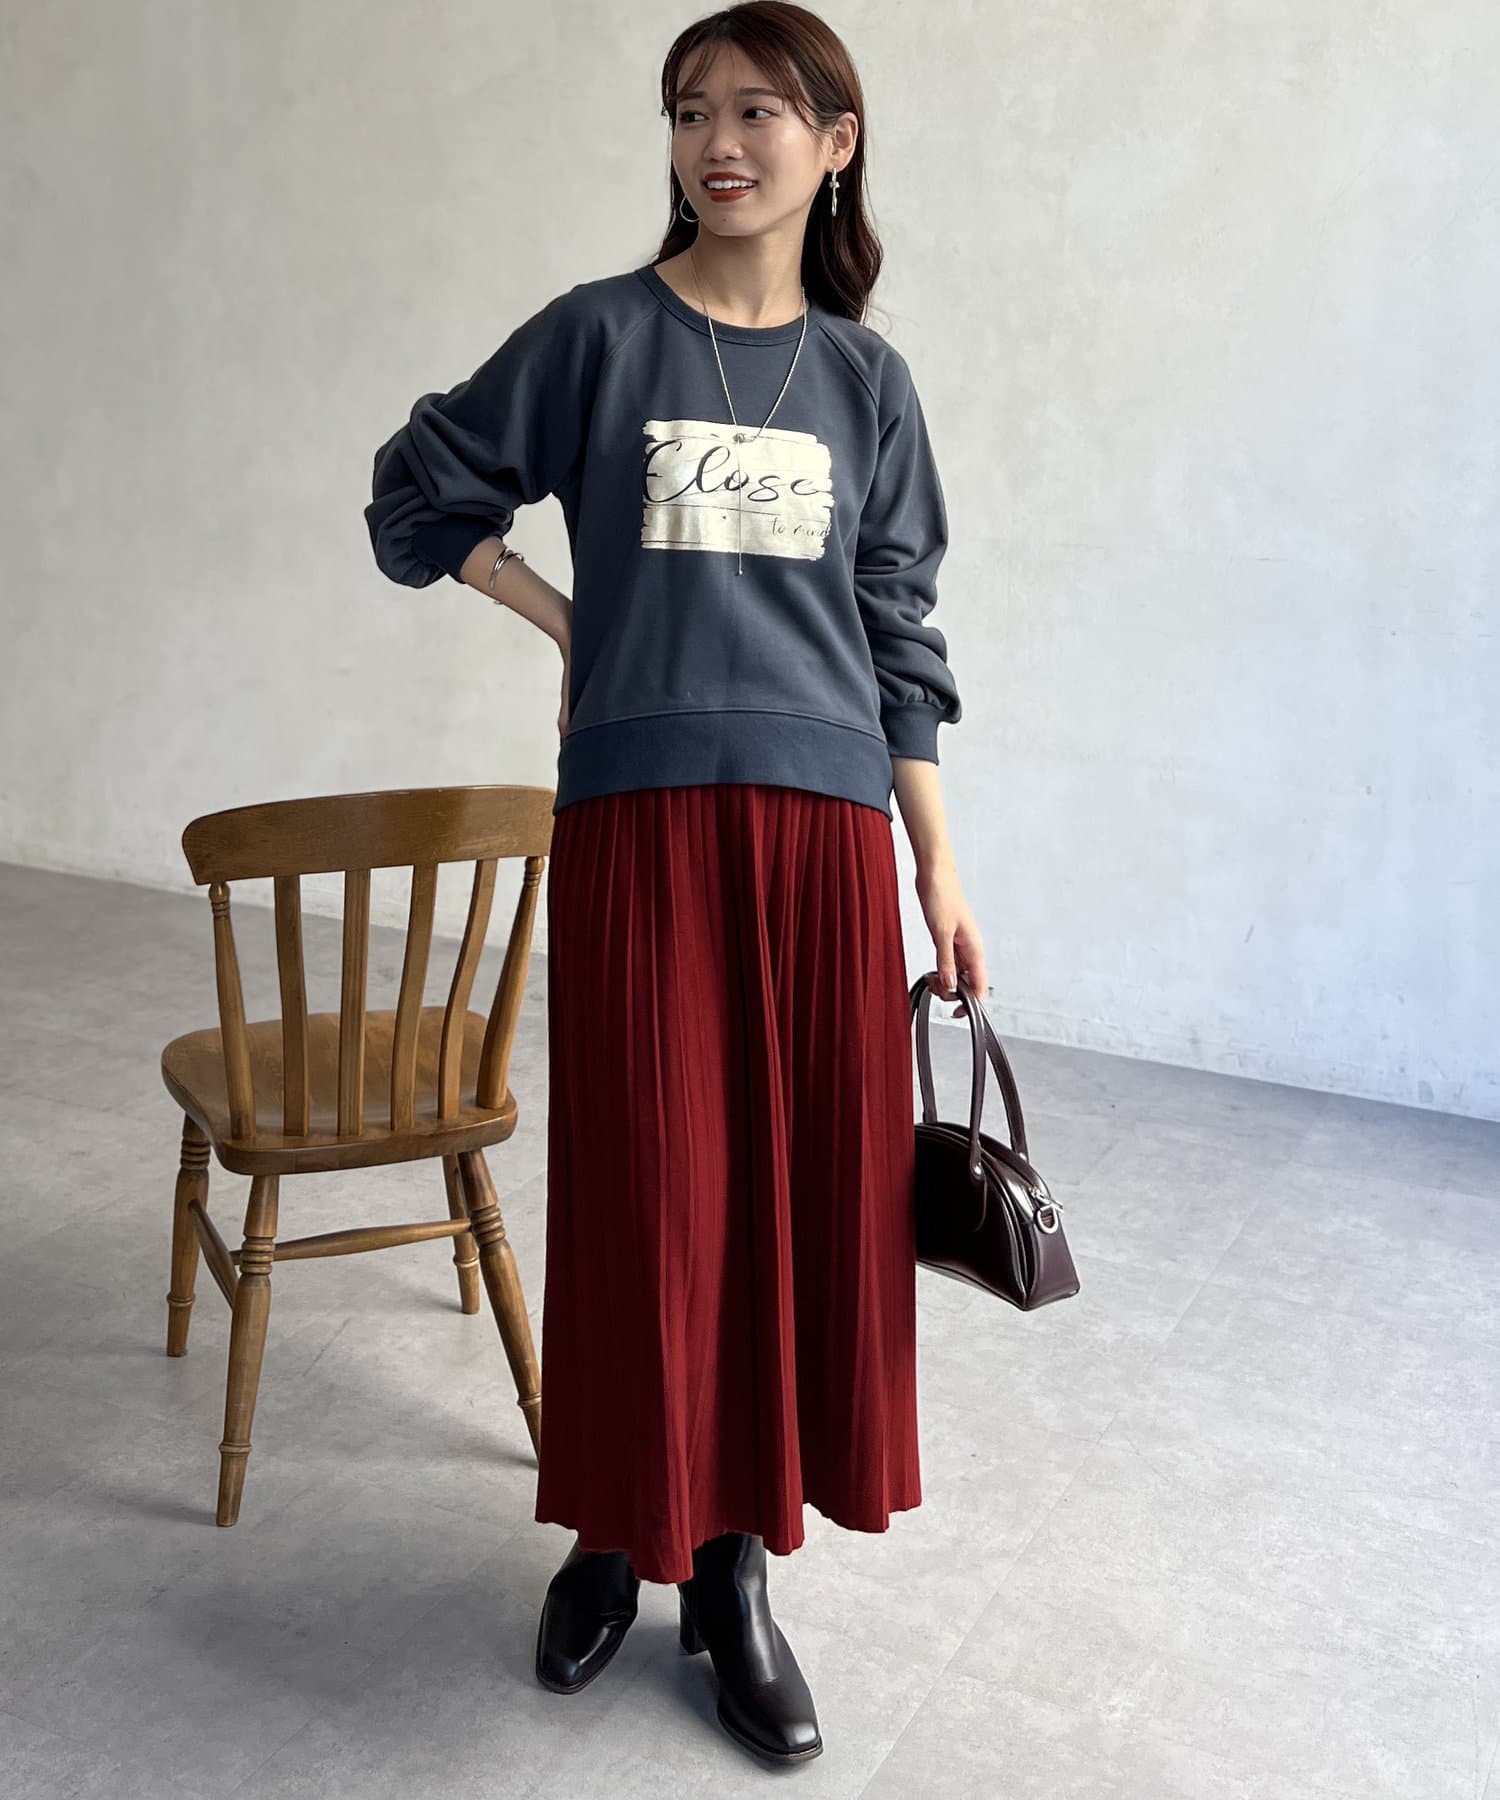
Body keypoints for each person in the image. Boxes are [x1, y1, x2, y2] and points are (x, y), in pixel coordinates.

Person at [365, 0, 987, 1766]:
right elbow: (414, 496)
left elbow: (900, 635)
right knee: (650, 1189)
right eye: (691, 110)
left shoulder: (867, 382)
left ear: (834, 145)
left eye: (760, 111)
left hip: (821, 839)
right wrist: (565, 616)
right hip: (642, 822)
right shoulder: (597, 336)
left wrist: (940, 869)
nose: (720, 142)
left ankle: (730, 1572)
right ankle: (610, 1531)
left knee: (787, 1202)